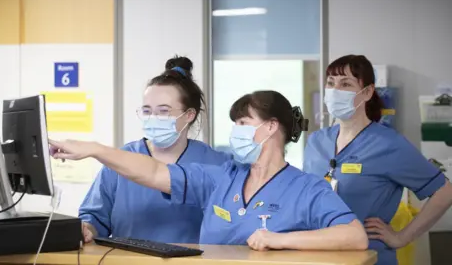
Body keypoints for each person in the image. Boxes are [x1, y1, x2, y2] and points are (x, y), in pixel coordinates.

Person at [50, 90, 368, 251]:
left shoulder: (306, 188)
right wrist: (95, 149)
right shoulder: (222, 175)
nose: (236, 132)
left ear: (272, 127)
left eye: (243, 123)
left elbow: (354, 236)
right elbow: (153, 173)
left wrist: (282, 240)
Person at [303, 55, 452, 265]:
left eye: (346, 83)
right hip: (318, 257)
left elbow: (444, 192)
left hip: (369, 258)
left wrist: (402, 237)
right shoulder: (316, 141)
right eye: (331, 83)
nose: (335, 90)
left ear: (367, 92)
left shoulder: (389, 144)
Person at [78, 56, 232, 244]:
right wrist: (87, 229)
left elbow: (233, 223)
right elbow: (94, 218)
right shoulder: (121, 161)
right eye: (147, 111)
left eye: (163, 111)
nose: (153, 118)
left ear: (189, 115)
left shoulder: (215, 163)